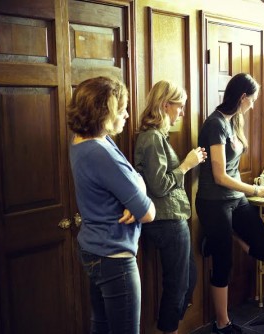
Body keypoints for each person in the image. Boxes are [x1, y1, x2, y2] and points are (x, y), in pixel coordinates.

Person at [67, 76, 156, 334]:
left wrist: (133, 194)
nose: (127, 114)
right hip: (114, 259)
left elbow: (135, 179)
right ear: (104, 113)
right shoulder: (100, 152)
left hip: (93, 250)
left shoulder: (85, 140)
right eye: (122, 109)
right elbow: (148, 212)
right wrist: (136, 198)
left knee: (102, 326)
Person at [195, 73, 264, 333]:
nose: (253, 105)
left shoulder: (235, 122)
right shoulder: (215, 125)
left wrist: (253, 189)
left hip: (236, 200)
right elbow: (220, 176)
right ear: (242, 97)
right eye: (252, 100)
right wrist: (258, 189)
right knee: (223, 264)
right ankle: (223, 324)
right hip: (214, 202)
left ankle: (227, 235)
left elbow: (231, 171)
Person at [134, 80, 207, 334]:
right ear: (166, 105)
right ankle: (168, 330)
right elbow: (159, 186)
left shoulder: (157, 137)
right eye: (180, 107)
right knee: (177, 285)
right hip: (166, 222)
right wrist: (187, 164)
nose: (182, 113)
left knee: (187, 280)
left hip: (172, 219)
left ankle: (169, 328)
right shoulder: (152, 138)